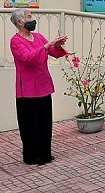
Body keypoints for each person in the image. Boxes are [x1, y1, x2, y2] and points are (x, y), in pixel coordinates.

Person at [9, 9, 68, 165]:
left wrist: (58, 45)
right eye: (29, 17)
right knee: (30, 123)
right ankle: (32, 156)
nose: (32, 19)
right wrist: (46, 46)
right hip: (27, 89)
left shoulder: (39, 37)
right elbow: (28, 58)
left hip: (43, 85)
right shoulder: (16, 41)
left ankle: (45, 154)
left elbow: (53, 52)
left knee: (45, 121)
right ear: (20, 22)